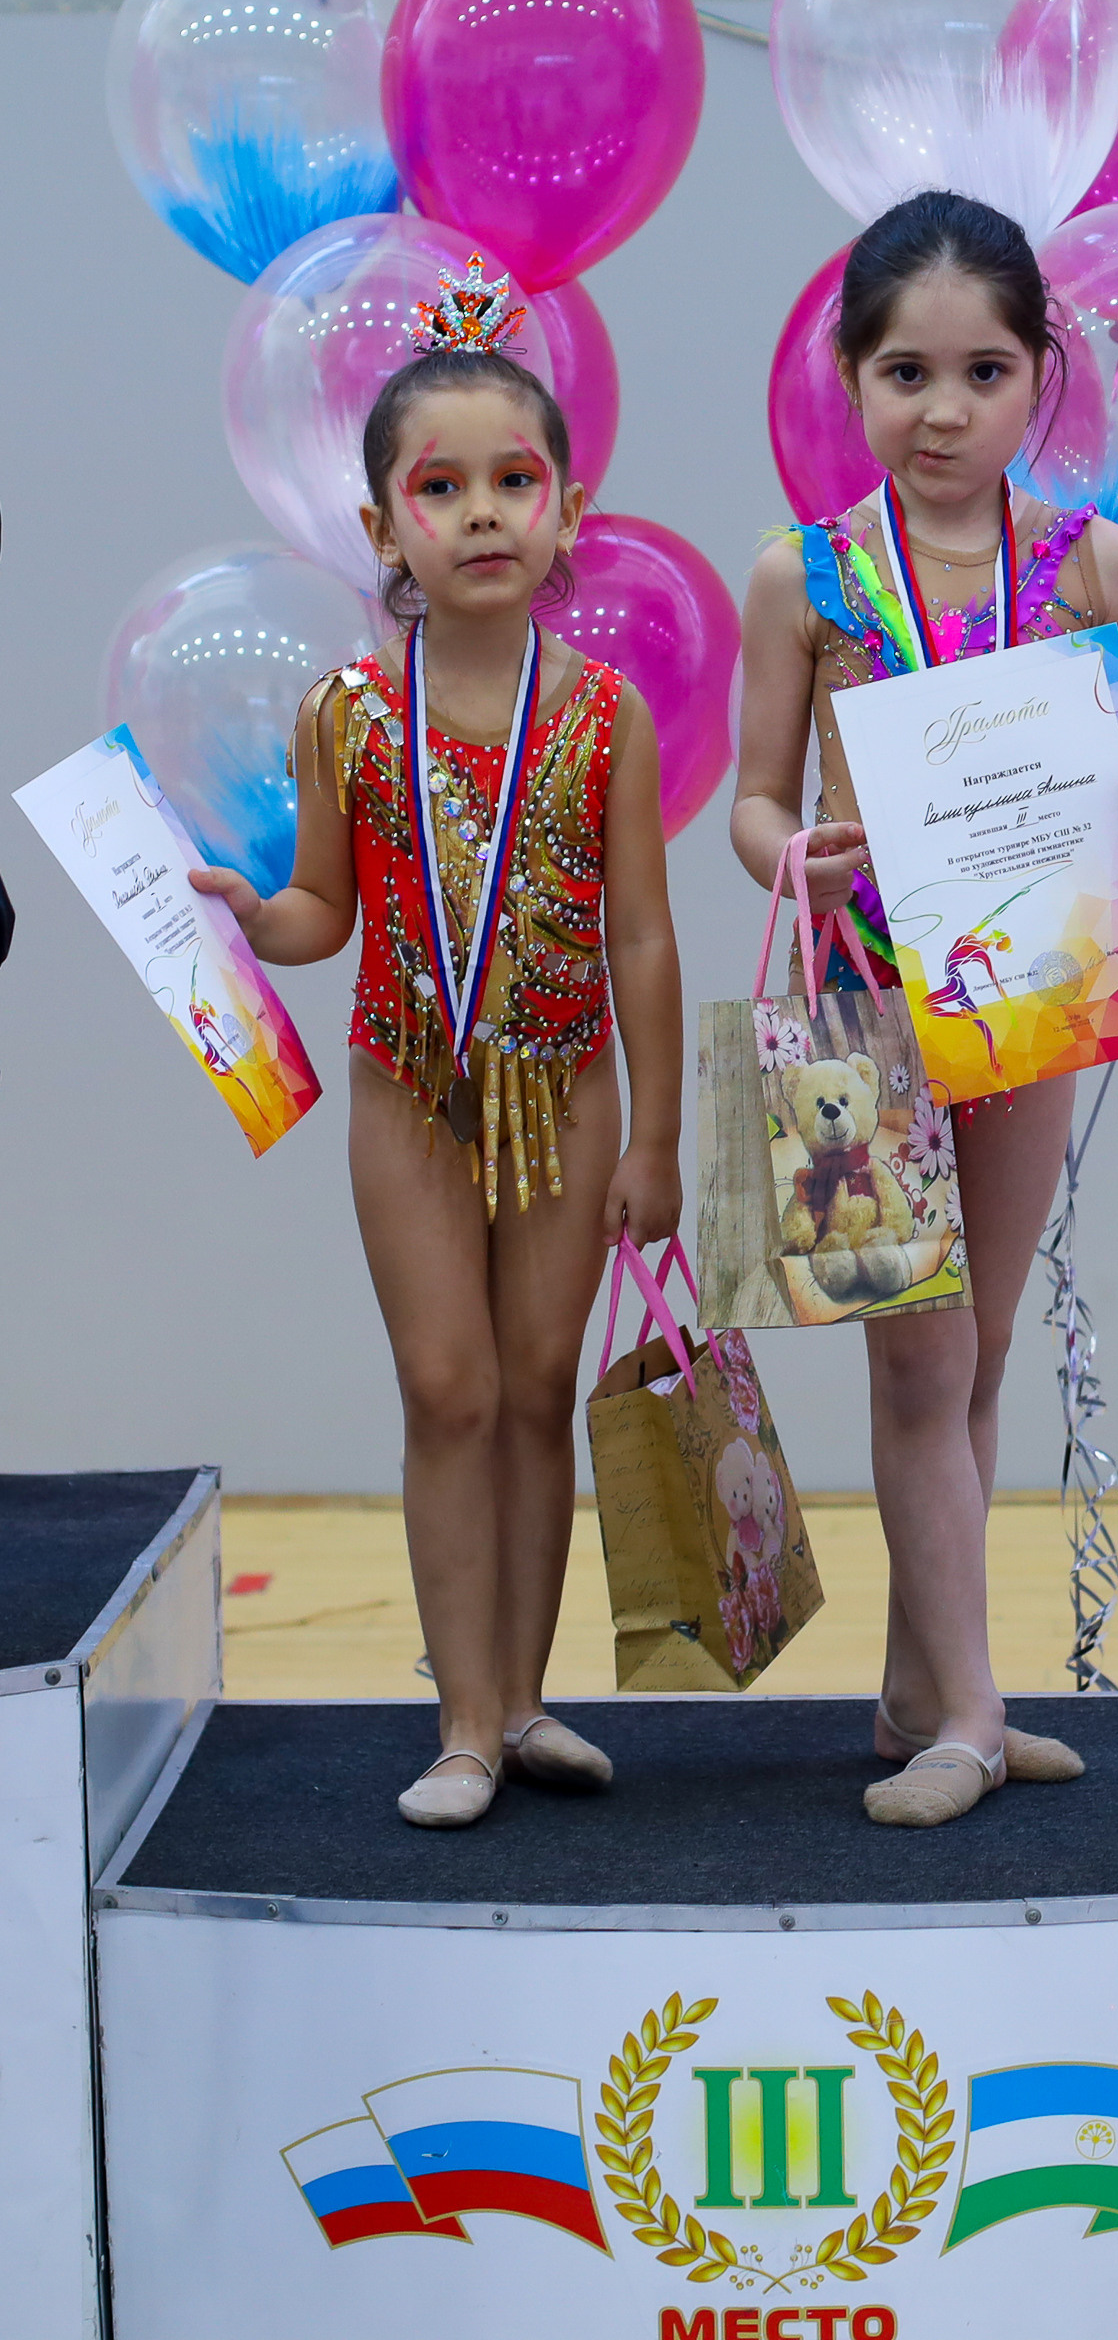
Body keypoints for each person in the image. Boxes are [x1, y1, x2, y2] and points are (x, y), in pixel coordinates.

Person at [732, 192, 1118, 1828]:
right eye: (906, 373)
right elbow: (747, 801)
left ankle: (916, 1689)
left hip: (1032, 1011)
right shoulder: (800, 581)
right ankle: (980, 1720)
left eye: (984, 372)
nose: (944, 411)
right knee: (919, 1372)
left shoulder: (1095, 569)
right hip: (857, 1026)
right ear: (850, 378)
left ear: (1039, 376)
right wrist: (792, 850)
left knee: (980, 1348)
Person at [192, 255, 683, 1831]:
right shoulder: (347, 713)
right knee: (447, 1385)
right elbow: (325, 910)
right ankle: (462, 1721)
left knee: (541, 1384)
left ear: (567, 504)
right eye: (443, 485)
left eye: (513, 481)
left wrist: (660, 1134)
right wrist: (251, 921)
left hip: (573, 1088)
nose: (483, 513)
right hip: (411, 1092)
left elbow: (644, 937)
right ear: (381, 523)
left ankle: (527, 1700)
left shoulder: (605, 712)